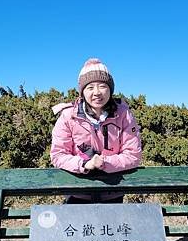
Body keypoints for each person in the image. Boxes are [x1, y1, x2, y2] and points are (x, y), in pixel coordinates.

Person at [50, 58, 142, 203]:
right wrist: (85, 164)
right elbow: (58, 155)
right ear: (82, 92)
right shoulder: (68, 116)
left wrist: (105, 163)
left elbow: (133, 155)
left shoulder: (124, 114)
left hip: (113, 193)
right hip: (77, 193)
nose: (97, 92)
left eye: (102, 86)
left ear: (110, 89)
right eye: (90, 87)